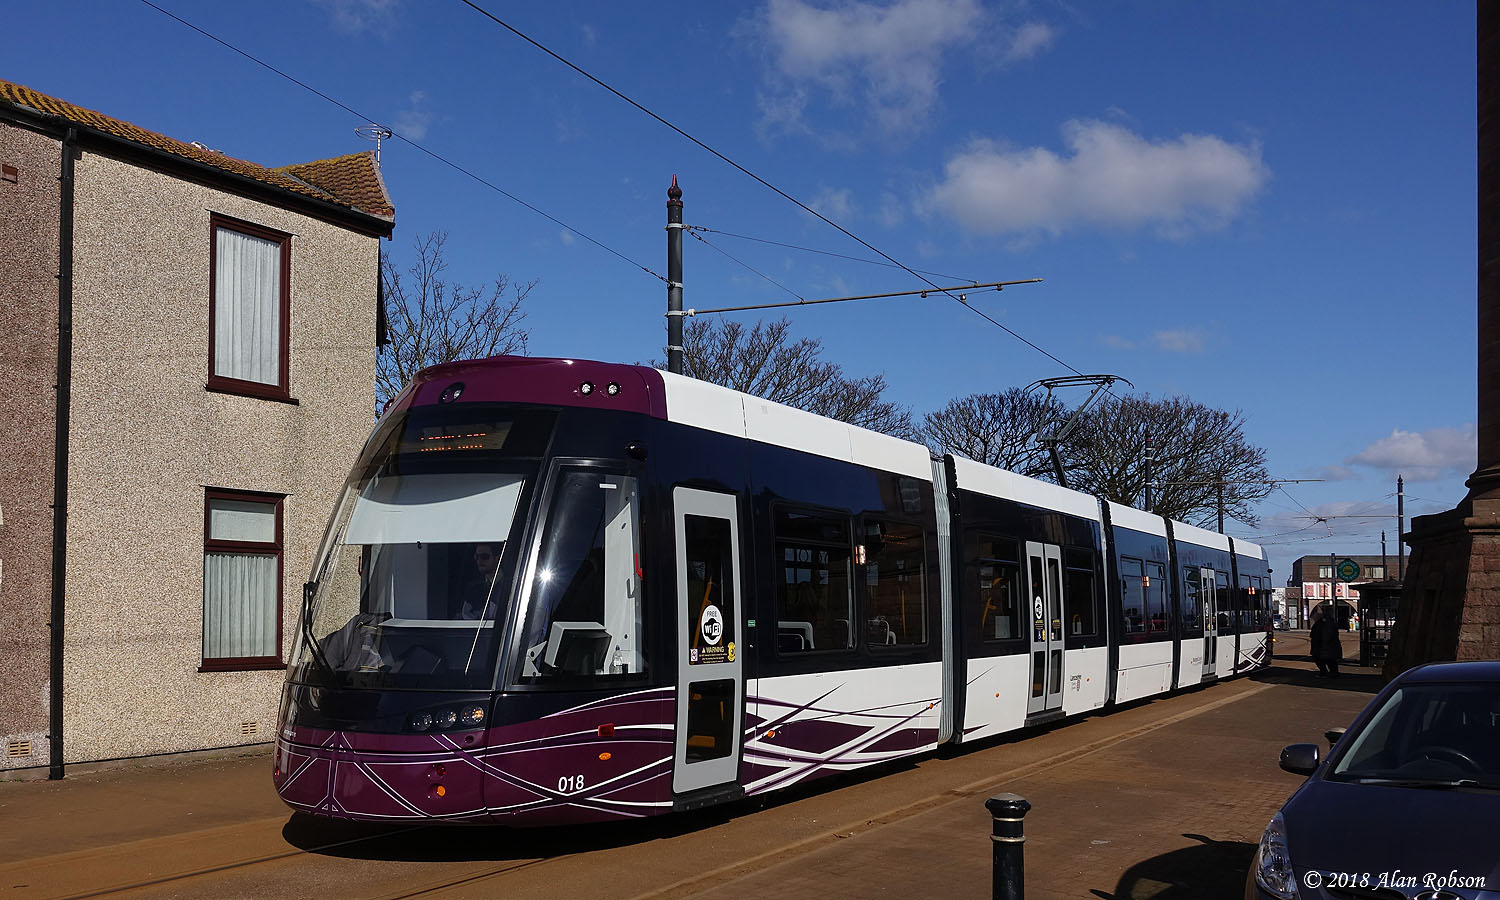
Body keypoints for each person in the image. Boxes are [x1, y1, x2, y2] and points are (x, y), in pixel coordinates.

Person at [459, 543, 503, 620]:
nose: (479, 560)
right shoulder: (473, 589)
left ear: (497, 559)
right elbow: (465, 615)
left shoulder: (511, 584)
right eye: (477, 557)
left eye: (484, 557)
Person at [1309, 604, 1342, 677]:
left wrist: (1323, 645)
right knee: (1329, 660)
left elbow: (1325, 635)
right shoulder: (1326, 621)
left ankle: (1328, 673)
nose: (1313, 617)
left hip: (1324, 646)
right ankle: (1332, 673)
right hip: (1325, 646)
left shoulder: (1323, 623)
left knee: (1325, 659)